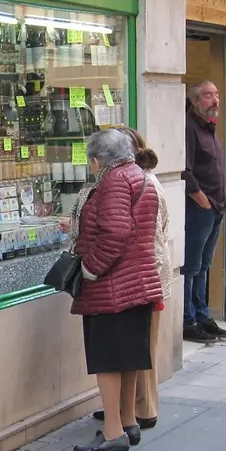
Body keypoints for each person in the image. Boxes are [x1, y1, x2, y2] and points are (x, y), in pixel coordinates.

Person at [69, 129, 162, 451]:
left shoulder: (112, 182)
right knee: (129, 357)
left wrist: (89, 269)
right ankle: (126, 421)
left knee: (108, 359)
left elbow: (115, 232)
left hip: (112, 287)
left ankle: (112, 433)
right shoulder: (141, 177)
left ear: (96, 160)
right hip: (140, 282)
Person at [90, 127, 171, 430]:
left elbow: (122, 233)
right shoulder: (142, 180)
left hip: (137, 277)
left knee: (136, 350)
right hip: (144, 275)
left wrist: (91, 268)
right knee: (133, 349)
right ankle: (127, 412)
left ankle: (142, 410)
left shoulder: (131, 183)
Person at [182, 81, 226, 343]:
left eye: (216, 94)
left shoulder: (209, 128)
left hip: (216, 208)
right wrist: (202, 200)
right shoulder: (189, 128)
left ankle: (201, 314)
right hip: (200, 208)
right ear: (195, 101)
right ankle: (187, 320)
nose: (215, 100)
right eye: (208, 96)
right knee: (191, 266)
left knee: (204, 265)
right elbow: (184, 171)